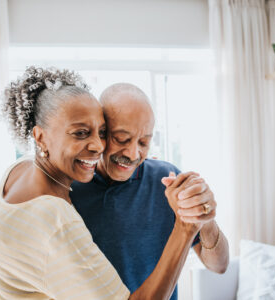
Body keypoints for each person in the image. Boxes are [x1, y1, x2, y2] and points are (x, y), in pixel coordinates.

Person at [0, 67, 202, 300]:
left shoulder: (17, 171)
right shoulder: (57, 220)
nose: (98, 146)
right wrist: (185, 228)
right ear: (40, 137)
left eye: (101, 132)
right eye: (80, 133)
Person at [71, 83, 229, 300]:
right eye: (122, 139)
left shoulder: (167, 179)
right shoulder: (69, 189)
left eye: (144, 142)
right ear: (100, 131)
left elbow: (219, 266)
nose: (133, 153)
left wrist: (205, 219)